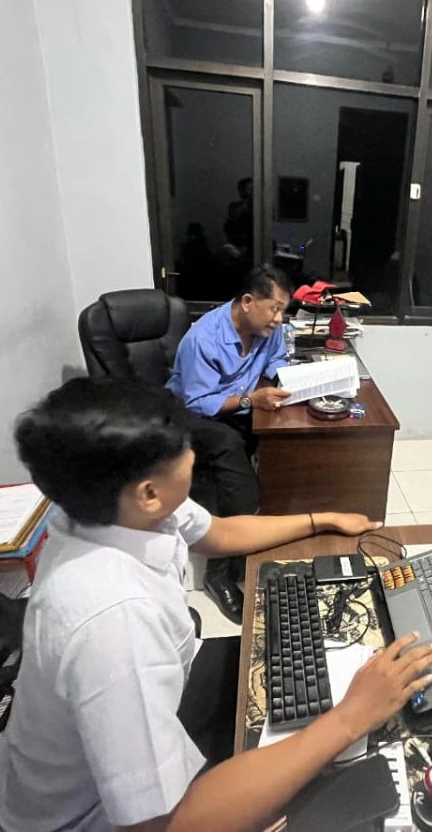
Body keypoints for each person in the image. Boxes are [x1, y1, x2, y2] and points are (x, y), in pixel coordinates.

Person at [0, 378, 432, 832]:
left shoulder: (112, 508)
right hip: (92, 820)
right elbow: (166, 824)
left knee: (293, 664)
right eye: (184, 449)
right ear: (148, 492)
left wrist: (320, 519)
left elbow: (218, 532)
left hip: (150, 727)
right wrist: (351, 717)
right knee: (350, 787)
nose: (193, 454)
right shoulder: (115, 622)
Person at [166, 264, 294, 622]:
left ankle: (255, 545)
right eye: (274, 309)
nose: (279, 319)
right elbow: (198, 402)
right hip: (192, 413)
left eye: (283, 310)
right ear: (248, 302)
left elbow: (277, 360)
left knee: (281, 442)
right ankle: (219, 573)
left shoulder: (267, 329)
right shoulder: (203, 338)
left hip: (237, 406)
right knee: (231, 462)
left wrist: (289, 382)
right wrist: (253, 399)